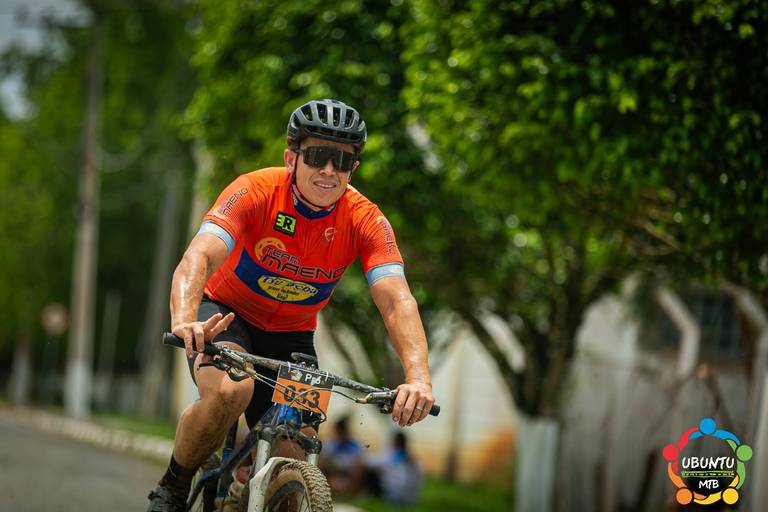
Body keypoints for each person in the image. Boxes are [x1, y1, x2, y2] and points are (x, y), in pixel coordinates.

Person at [146, 98, 435, 511]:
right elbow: (200, 257)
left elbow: (396, 300)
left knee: (294, 451)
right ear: (291, 158)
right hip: (224, 316)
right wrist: (184, 319)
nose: (329, 170)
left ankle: (249, 488)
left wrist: (419, 379)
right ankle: (172, 488)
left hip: (292, 335)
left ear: (353, 168)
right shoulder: (255, 190)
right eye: (317, 156)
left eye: (341, 160)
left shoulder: (366, 220)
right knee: (231, 391)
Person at [364, 431, 422, 505]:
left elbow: (368, 462)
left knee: (372, 470)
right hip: (412, 498)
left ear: (395, 442)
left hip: (395, 496)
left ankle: (362, 494)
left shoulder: (393, 455)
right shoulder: (414, 459)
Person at [320, 416, 365, 494]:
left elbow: (360, 460)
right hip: (333, 472)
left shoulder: (354, 444)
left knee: (359, 467)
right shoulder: (331, 443)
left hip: (348, 473)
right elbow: (324, 459)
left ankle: (352, 490)